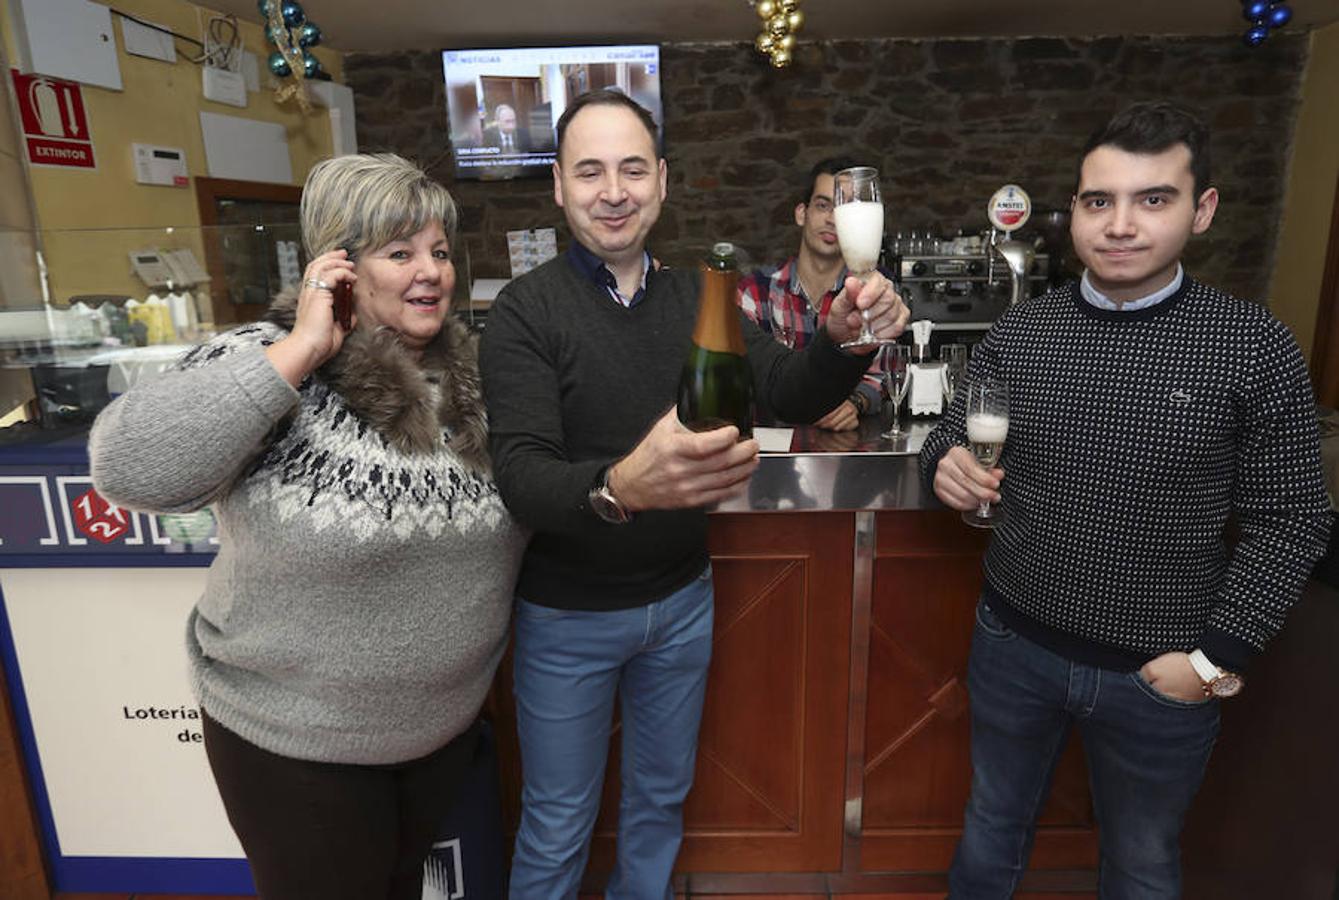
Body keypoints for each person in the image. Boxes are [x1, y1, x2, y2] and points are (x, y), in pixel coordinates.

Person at [478, 89, 909, 899]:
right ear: (559, 187)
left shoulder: (699, 297)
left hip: (681, 603)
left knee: (658, 804)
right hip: (567, 618)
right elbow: (523, 480)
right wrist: (619, 486)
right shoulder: (523, 312)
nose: (613, 191)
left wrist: (843, 339)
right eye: (590, 171)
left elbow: (785, 388)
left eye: (632, 169)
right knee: (559, 820)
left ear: (663, 181)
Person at [919, 101, 1330, 898]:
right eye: (1097, 200)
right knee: (989, 827)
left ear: (1201, 210)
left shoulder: (1251, 345)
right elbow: (951, 429)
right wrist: (946, 464)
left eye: (1153, 199)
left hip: (1158, 674)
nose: (1118, 225)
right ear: (1073, 210)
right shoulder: (1021, 332)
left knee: (1140, 863)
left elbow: (1291, 520)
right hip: (1012, 643)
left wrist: (1211, 663)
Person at [89, 153, 526, 900]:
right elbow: (128, 467)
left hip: (438, 738)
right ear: (339, 267)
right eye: (400, 254)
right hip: (294, 750)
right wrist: (303, 348)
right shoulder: (268, 362)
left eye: (439, 251)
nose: (431, 272)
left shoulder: (479, 383)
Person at [737, 156, 884, 431]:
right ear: (801, 214)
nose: (832, 219)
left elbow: (887, 371)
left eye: (843, 209)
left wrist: (856, 402)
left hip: (843, 447)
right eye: (823, 205)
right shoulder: (755, 291)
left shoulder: (870, 292)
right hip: (771, 446)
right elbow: (740, 377)